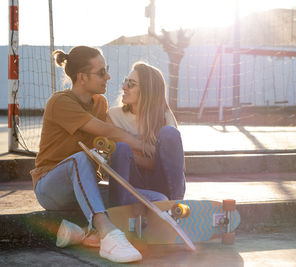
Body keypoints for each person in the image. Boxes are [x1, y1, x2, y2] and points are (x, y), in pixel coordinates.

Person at [30, 46, 167, 263]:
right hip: (51, 188)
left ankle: (81, 234)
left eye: (107, 70)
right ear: (82, 77)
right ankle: (107, 234)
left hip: (83, 188)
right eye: (101, 72)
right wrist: (141, 144)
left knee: (154, 199)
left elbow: (108, 142)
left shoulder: (100, 103)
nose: (108, 76)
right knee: (81, 158)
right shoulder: (60, 102)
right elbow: (105, 131)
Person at [107, 61, 186, 203]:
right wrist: (150, 155)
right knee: (122, 148)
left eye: (131, 84)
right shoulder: (113, 116)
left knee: (169, 133)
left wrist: (133, 156)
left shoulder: (164, 116)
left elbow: (177, 166)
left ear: (147, 90)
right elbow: (116, 160)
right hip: (131, 185)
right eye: (125, 81)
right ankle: (119, 209)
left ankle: (175, 205)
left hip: (162, 185)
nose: (124, 87)